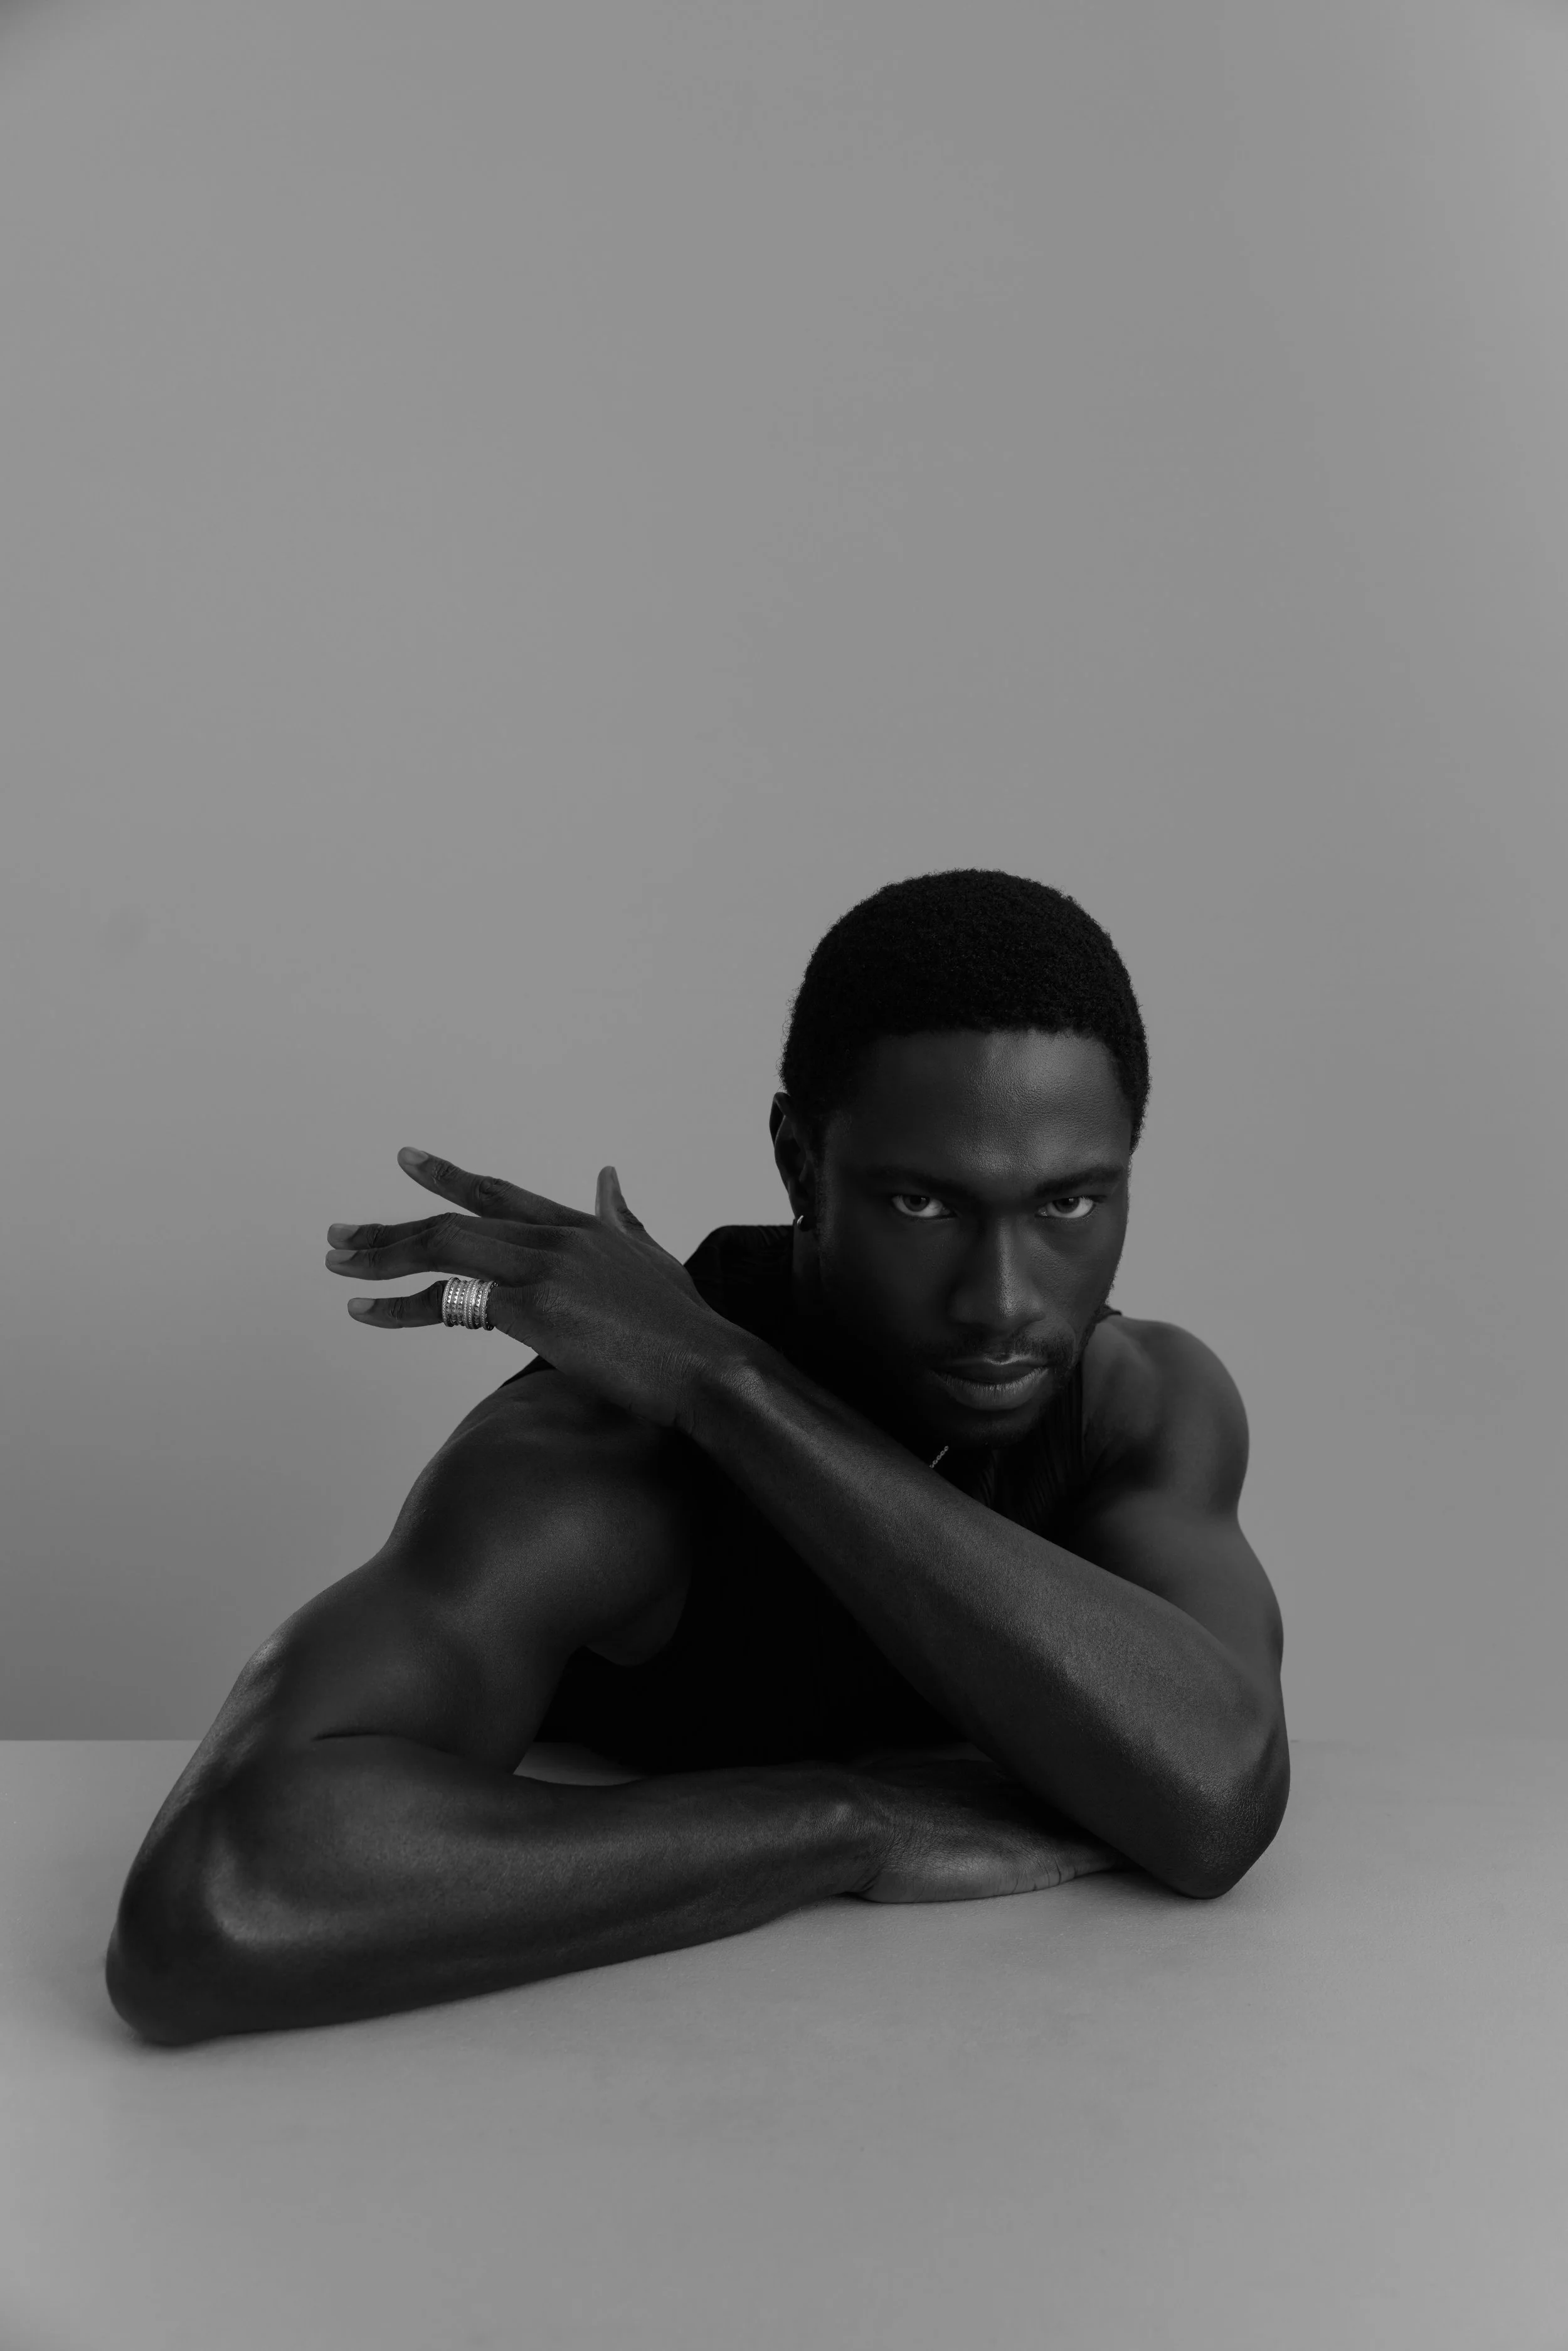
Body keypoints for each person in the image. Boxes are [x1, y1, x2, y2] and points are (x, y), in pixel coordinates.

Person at [106, 869, 1288, 2044]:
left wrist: (731, 1388)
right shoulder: (596, 1457)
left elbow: (1217, 1797)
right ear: (797, 1164)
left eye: (1070, 1205)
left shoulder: (1142, 1402)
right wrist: (843, 1822)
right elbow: (216, 1902)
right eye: (923, 1205)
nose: (1002, 1302)